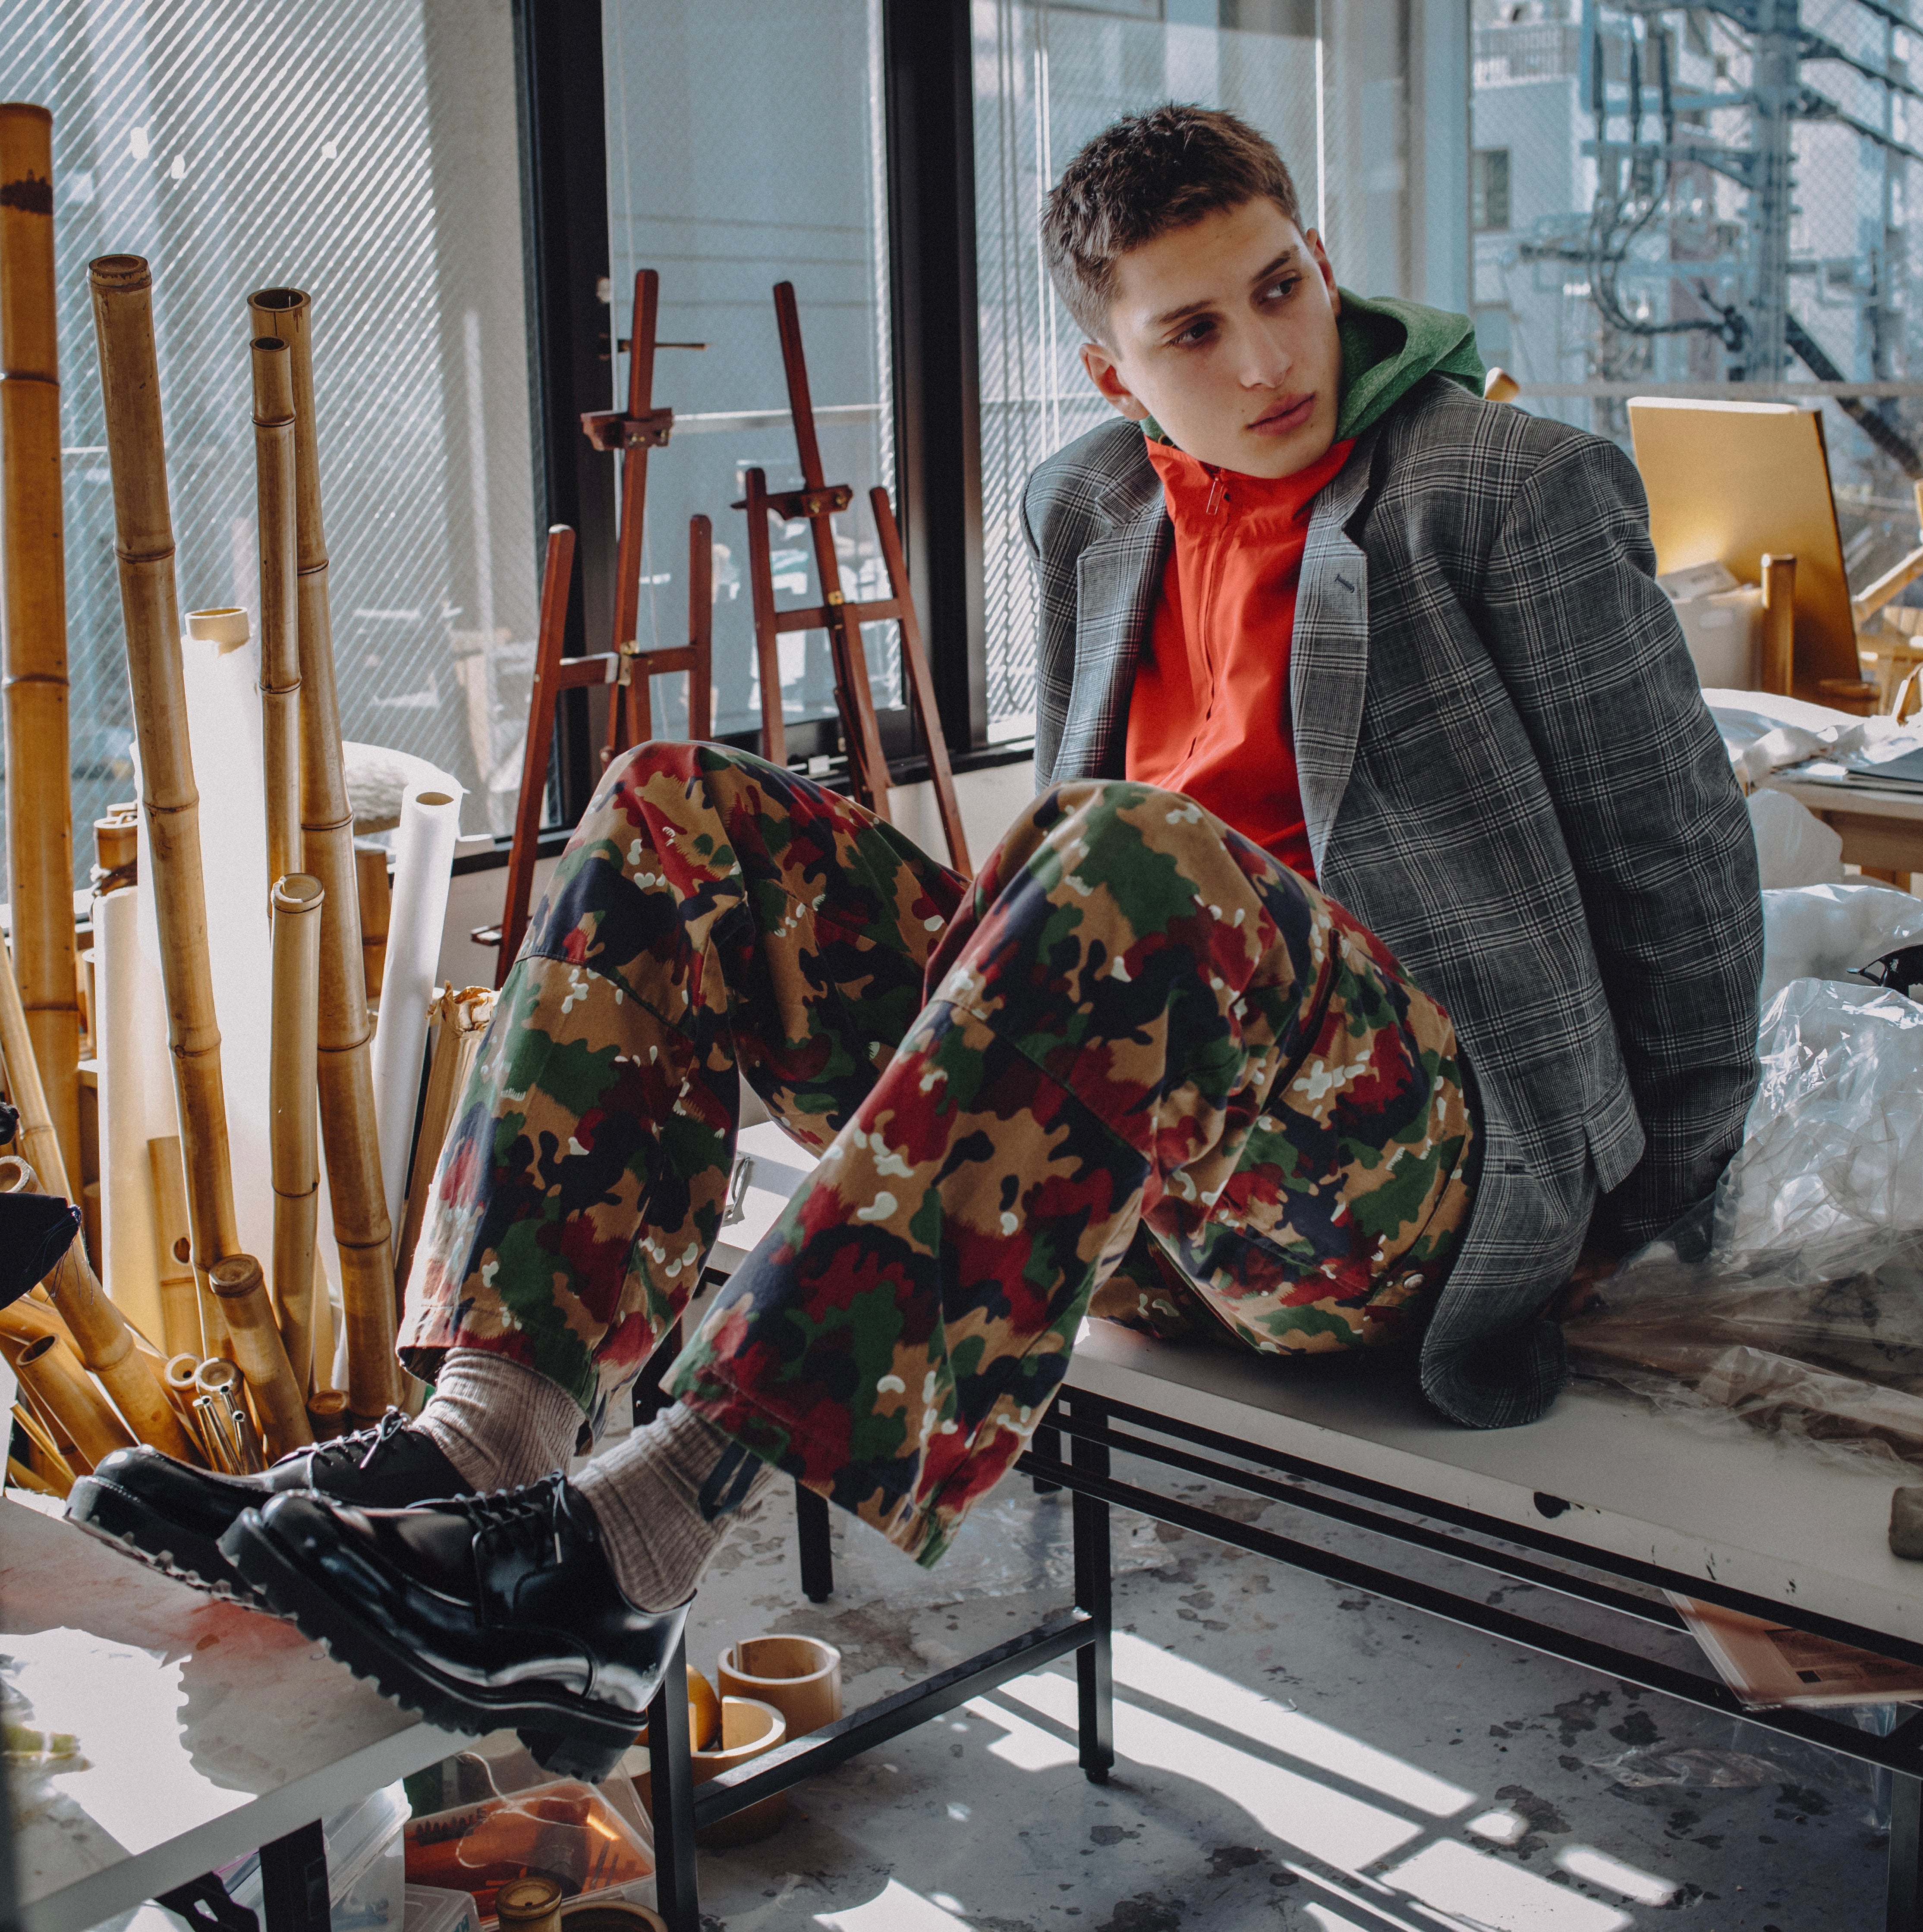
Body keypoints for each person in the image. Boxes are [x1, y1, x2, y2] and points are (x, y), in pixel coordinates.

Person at [68, 104, 1760, 1779]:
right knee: (668, 806)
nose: (1266, 356)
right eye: (1192, 330)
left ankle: (633, 1544)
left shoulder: (1509, 490)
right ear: (1112, 372)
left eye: (1280, 287)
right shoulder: (1090, 506)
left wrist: (1633, 1220)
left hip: (1400, 1182)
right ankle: (482, 1444)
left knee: (1130, 857)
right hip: (1150, 1175)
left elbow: (1679, 873)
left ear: (1318, 260)